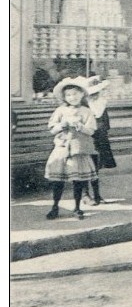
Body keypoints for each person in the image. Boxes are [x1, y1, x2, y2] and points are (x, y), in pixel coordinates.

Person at [43, 76, 98, 219]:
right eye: (68, 95)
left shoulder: (87, 111)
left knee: (78, 180)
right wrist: (62, 125)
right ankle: (55, 206)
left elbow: (91, 130)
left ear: (81, 94)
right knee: (58, 180)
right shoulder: (60, 111)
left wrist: (80, 126)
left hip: (78, 149)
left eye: (75, 94)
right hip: (62, 148)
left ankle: (77, 207)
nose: (72, 97)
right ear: (64, 97)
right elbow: (52, 128)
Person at [85, 76, 116, 205]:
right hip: (87, 138)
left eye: (97, 92)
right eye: (92, 93)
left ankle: (97, 195)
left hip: (99, 139)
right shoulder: (84, 105)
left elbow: (106, 124)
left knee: (95, 168)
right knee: (85, 167)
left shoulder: (101, 104)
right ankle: (85, 195)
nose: (95, 95)